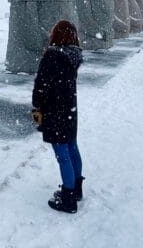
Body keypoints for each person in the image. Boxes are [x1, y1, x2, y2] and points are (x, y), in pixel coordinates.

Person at [32, 20, 85, 213]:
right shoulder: (74, 55)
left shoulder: (52, 56)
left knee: (62, 154)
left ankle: (68, 198)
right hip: (70, 109)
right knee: (72, 148)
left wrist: (36, 106)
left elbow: (41, 86)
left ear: (57, 35)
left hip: (55, 111)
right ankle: (76, 189)